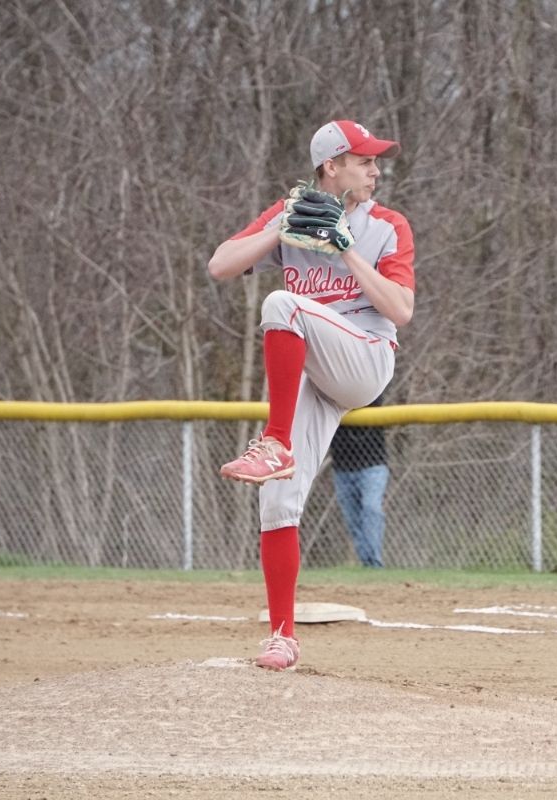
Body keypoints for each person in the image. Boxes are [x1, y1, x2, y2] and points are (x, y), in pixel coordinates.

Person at [207, 119, 415, 670]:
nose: (375, 169)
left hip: (366, 357)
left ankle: (274, 440)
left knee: (282, 304)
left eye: (375, 161)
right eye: (363, 160)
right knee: (276, 500)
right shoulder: (293, 214)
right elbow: (219, 265)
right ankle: (282, 636)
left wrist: (347, 251)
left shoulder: (387, 226)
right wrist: (281, 229)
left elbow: (400, 311)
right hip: (315, 373)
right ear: (331, 167)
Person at [329, 391, 391, 568]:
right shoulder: (328, 389)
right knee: (353, 520)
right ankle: (367, 564)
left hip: (373, 465)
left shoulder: (370, 386)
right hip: (342, 468)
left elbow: (373, 397)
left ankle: (375, 563)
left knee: (372, 509)